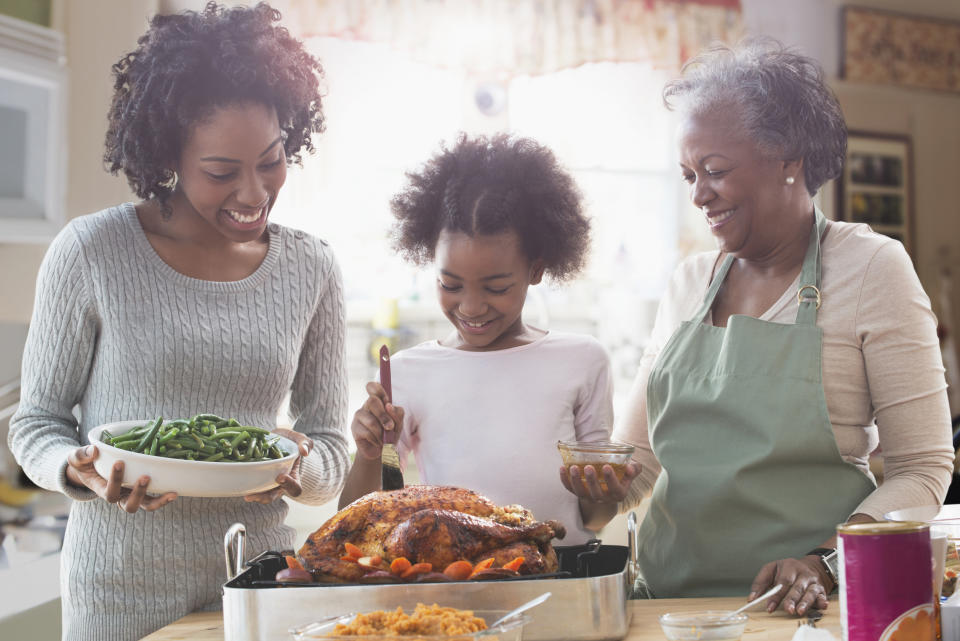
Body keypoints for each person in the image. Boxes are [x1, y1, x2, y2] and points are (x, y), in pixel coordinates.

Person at [563, 39, 954, 615]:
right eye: (688, 174)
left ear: (789, 160)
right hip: (668, 608)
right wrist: (598, 490)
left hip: (805, 611)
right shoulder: (689, 282)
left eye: (715, 171)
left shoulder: (872, 267)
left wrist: (825, 559)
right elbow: (641, 465)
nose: (699, 195)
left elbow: (923, 469)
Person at [7, 3, 349, 639]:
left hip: (258, 581)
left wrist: (300, 468)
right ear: (169, 154)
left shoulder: (312, 268)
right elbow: (35, 422)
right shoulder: (91, 253)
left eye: (272, 161)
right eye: (222, 172)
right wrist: (77, 467)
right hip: (118, 593)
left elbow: (328, 439)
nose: (254, 194)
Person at [338, 134, 632, 543]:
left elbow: (595, 520)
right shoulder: (407, 372)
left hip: (561, 579)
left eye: (495, 288)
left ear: (537, 269)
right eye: (450, 284)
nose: (472, 307)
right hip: (456, 585)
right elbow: (356, 525)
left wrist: (604, 496)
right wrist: (370, 454)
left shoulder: (583, 360)